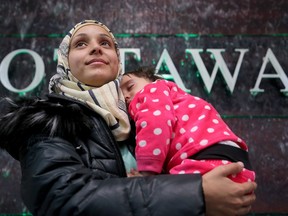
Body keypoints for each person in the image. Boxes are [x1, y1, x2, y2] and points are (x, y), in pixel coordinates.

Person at [0, 20, 256, 216]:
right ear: (65, 62)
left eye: (106, 43)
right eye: (81, 44)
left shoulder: (145, 115)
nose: (96, 48)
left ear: (116, 60)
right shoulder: (47, 121)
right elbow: (61, 198)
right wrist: (196, 193)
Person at [120, 66, 256, 184]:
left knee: (164, 195)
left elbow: (155, 123)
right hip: (234, 160)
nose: (125, 96)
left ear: (152, 80)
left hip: (206, 157)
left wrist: (146, 171)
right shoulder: (178, 100)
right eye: (120, 96)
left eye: (130, 86)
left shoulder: (152, 90)